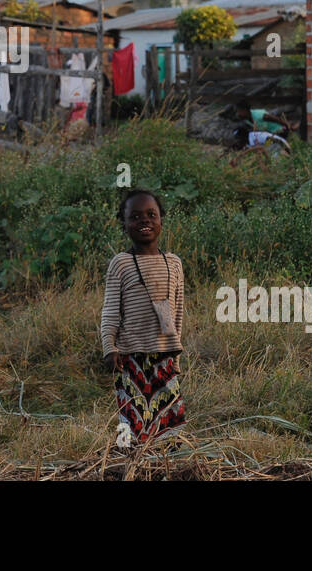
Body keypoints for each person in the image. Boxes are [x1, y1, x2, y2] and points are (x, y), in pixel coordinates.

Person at [100, 189, 186, 445]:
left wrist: (176, 354)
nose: (144, 221)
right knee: (131, 415)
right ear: (124, 225)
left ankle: (168, 463)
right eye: (135, 217)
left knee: (170, 414)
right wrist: (109, 347)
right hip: (130, 355)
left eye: (151, 214)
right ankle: (127, 462)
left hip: (164, 354)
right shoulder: (121, 263)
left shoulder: (174, 263)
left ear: (161, 220)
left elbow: (178, 311)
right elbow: (110, 309)